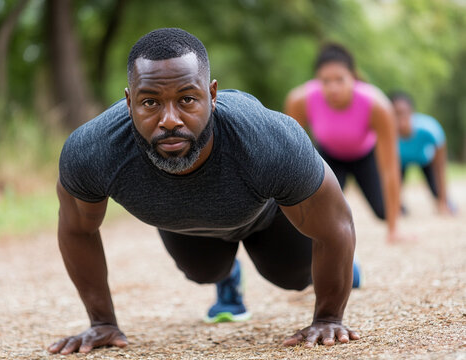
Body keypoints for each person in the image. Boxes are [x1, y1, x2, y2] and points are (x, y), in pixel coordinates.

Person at [48, 28, 359, 355]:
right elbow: (76, 230)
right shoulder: (92, 151)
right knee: (204, 272)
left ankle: (344, 267)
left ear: (212, 95)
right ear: (129, 102)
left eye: (187, 99)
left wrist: (329, 317)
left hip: (267, 216)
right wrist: (102, 323)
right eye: (150, 102)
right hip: (185, 224)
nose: (169, 120)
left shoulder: (270, 140)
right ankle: (230, 276)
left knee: (294, 277)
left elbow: (336, 224)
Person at [284, 43, 407, 244]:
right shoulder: (300, 100)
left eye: (340, 80)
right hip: (329, 156)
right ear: (317, 80)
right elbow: (289, 156)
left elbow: (390, 168)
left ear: (353, 78)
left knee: (383, 211)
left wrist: (393, 230)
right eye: (325, 81)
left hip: (364, 157)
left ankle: (399, 210)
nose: (333, 87)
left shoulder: (377, 105)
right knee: (321, 213)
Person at [390, 91, 456, 215]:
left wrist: (442, 201)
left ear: (411, 112)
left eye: (403, 113)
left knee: (440, 195)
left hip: (425, 160)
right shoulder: (386, 132)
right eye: (395, 114)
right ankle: (399, 206)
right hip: (400, 163)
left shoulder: (429, 129)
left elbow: (440, 168)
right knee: (391, 201)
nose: (399, 118)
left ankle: (446, 202)